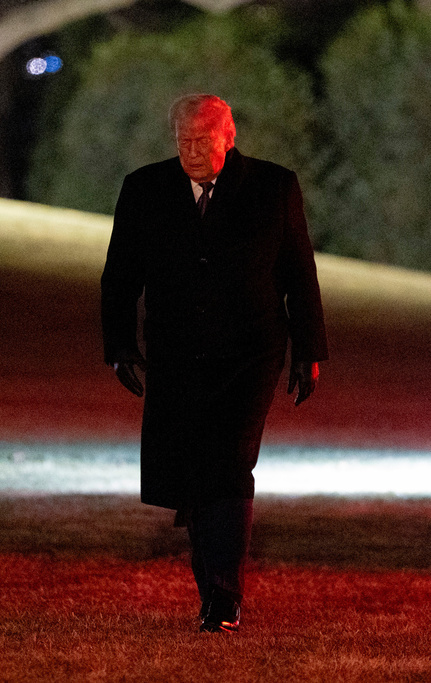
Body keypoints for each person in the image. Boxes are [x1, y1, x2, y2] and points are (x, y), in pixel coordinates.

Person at [101, 94, 328, 633]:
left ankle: (223, 597)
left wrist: (309, 351)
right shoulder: (144, 190)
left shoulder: (274, 188)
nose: (192, 153)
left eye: (203, 142)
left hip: (250, 353)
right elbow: (120, 275)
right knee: (191, 469)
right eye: (183, 142)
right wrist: (119, 346)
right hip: (176, 353)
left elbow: (299, 273)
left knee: (228, 462)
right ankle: (213, 590)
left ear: (230, 136)